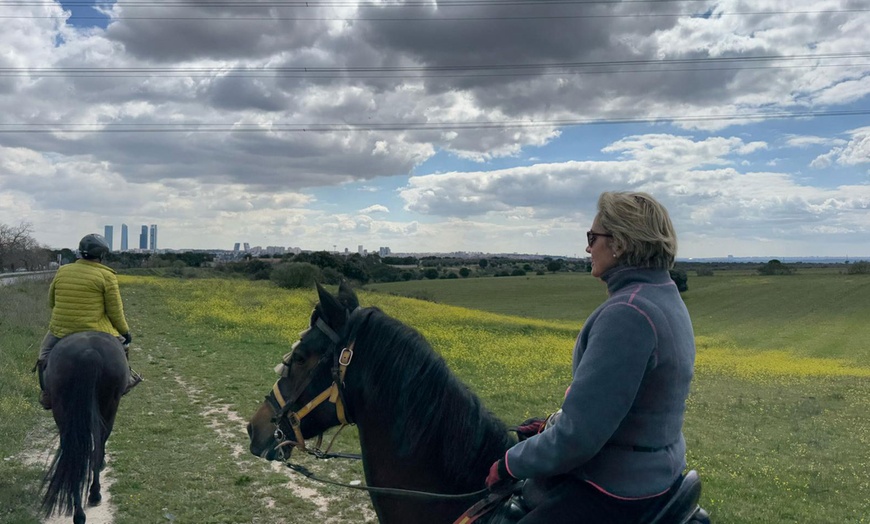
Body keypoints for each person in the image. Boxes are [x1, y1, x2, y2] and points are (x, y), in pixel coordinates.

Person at [486, 191, 696, 523]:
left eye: (592, 237)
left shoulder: (628, 313)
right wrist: (549, 426)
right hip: (656, 470)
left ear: (620, 243)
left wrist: (510, 462)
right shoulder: (663, 295)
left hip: (617, 484)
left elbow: (577, 439)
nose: (587, 248)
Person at [36, 233, 142, 409]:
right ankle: (127, 381)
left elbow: (51, 302)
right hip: (97, 330)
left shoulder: (63, 270)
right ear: (101, 255)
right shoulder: (107, 276)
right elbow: (115, 311)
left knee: (44, 354)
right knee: (123, 347)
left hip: (61, 329)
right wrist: (125, 332)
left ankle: (47, 393)